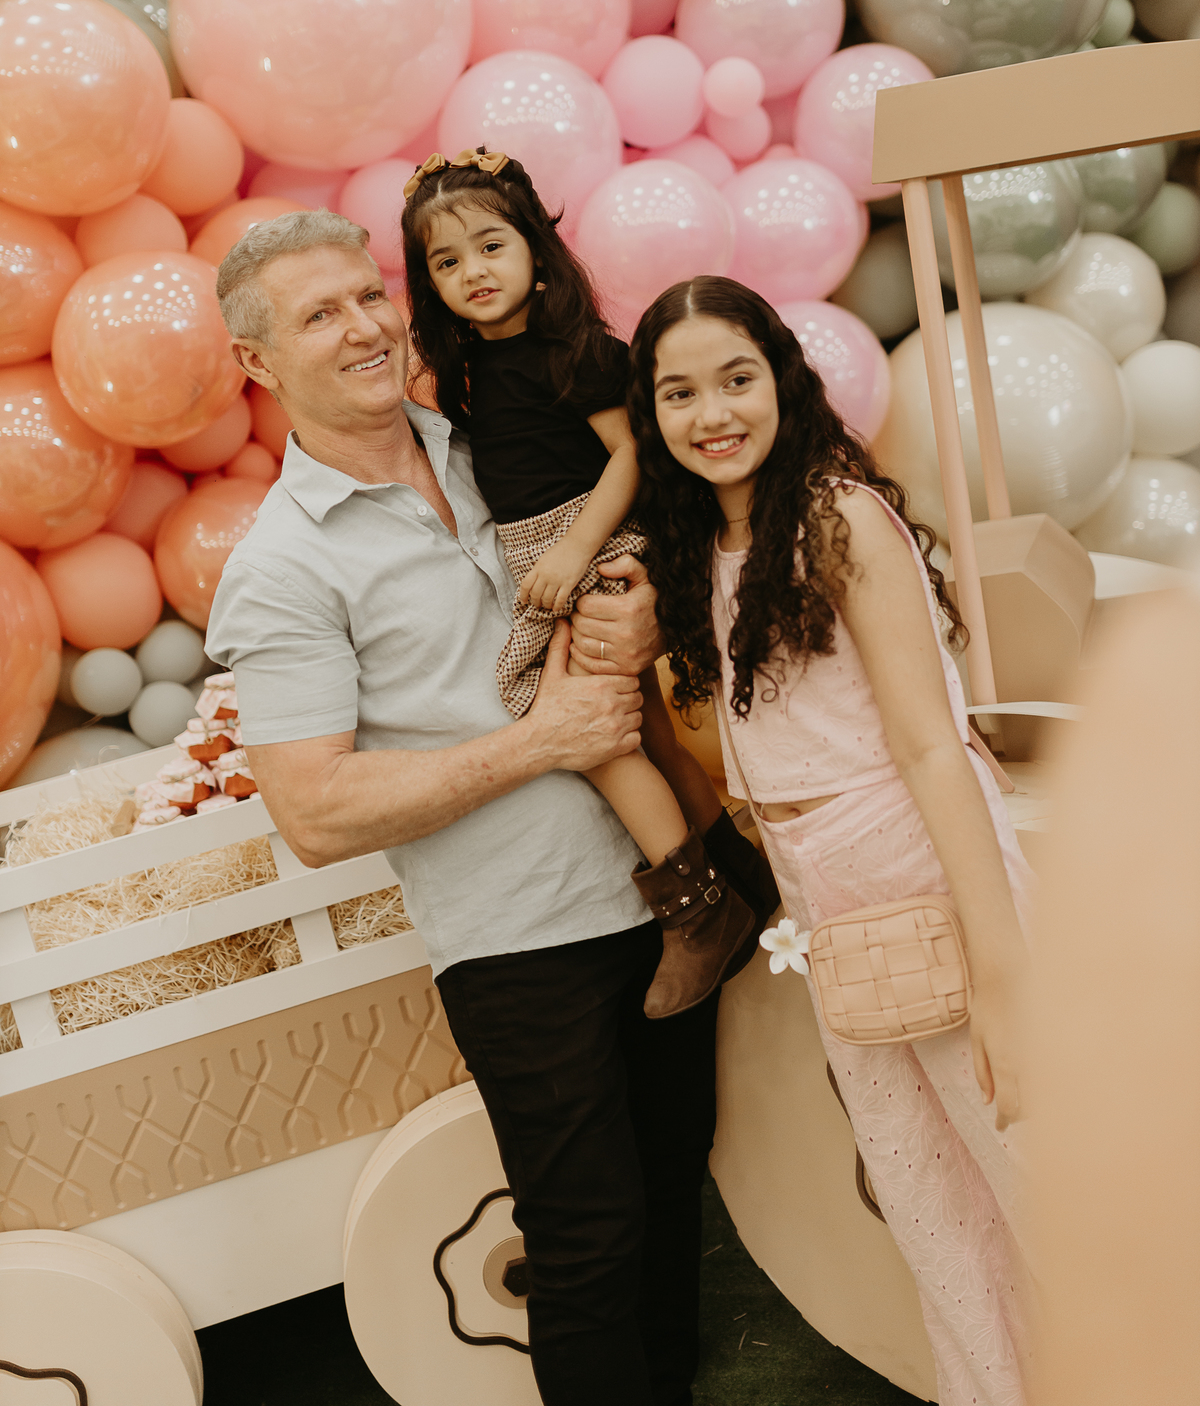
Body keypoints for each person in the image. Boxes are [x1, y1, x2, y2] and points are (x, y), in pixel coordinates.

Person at [202, 210, 752, 1406]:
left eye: (368, 294)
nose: (365, 327)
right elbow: (315, 810)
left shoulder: (498, 435)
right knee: (586, 1240)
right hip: (518, 943)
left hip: (667, 901)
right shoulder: (283, 566)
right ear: (257, 361)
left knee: (676, 1189)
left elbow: (654, 522)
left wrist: (645, 601)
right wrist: (540, 742)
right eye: (319, 315)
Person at [626, 275, 1037, 1406]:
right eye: (678, 392)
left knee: (1036, 1180)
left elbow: (931, 746)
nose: (713, 412)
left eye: (737, 378)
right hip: (829, 904)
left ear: (784, 378)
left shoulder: (833, 515)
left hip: (919, 870)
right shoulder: (704, 540)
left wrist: (1004, 975)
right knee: (933, 1208)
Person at [400, 147, 769, 1016]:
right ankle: (743, 878)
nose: (473, 271)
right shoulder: (470, 372)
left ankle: (696, 913)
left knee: (586, 730)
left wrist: (574, 552)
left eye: (491, 246)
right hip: (543, 553)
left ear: (536, 249)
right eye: (446, 262)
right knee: (645, 734)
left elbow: (634, 453)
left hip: (592, 546)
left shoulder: (575, 349)